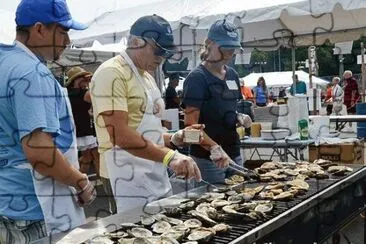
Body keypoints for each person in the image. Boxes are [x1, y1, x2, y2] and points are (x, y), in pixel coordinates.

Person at [0, 0, 96, 243]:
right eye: (62, 32)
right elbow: (41, 154)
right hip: (33, 211)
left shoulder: (5, 62)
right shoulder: (33, 72)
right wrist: (81, 181)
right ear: (39, 29)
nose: (67, 40)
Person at [91, 15, 202, 214]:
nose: (162, 58)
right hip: (123, 177)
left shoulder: (147, 78)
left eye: (166, 53)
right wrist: (170, 157)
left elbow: (149, 131)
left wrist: (174, 139)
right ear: (135, 42)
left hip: (153, 172)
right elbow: (121, 135)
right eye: (158, 51)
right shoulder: (111, 73)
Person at [182, 19, 252, 184]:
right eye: (225, 48)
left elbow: (227, 110)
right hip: (207, 161)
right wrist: (213, 147)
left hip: (234, 154)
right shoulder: (197, 79)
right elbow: (189, 129)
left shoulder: (232, 75)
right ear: (209, 44)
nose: (229, 54)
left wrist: (238, 117)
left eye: (232, 49)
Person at [65, 67, 100, 177]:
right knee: (96, 155)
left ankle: (78, 180)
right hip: (84, 129)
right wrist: (93, 80)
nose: (86, 81)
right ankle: (103, 181)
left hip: (78, 128)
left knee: (87, 157)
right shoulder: (80, 93)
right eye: (83, 78)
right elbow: (95, 95)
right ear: (76, 80)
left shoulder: (68, 93)